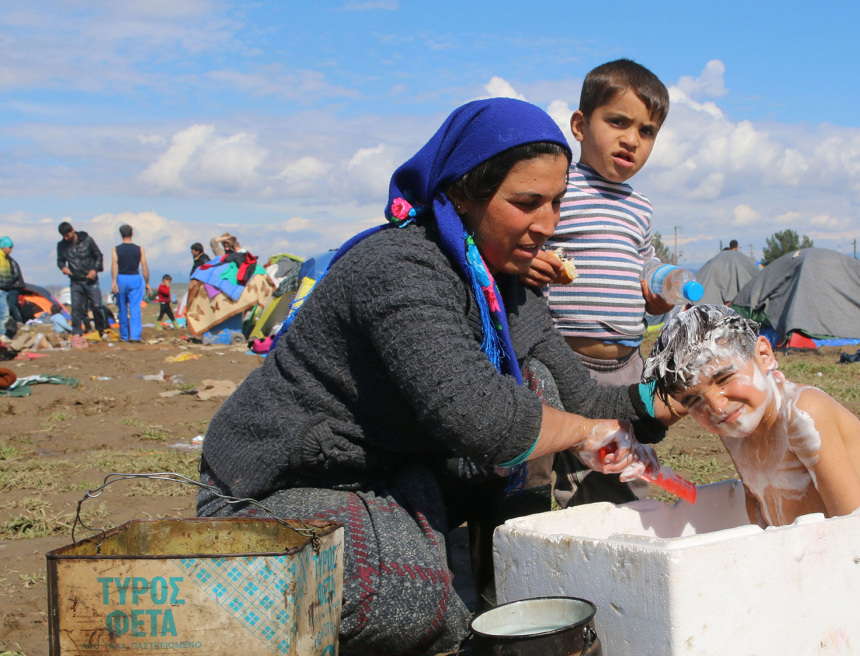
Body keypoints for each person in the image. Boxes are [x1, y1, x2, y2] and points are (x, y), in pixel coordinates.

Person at [196, 98, 679, 655]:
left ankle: (497, 583)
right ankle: (457, 609)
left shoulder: (510, 288)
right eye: (527, 203)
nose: (548, 225)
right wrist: (586, 433)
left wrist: (673, 398)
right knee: (413, 597)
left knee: (536, 388)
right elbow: (483, 418)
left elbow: (587, 395)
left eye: (556, 202)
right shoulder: (400, 269)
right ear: (460, 195)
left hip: (390, 476)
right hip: (277, 490)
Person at [521, 58, 673, 508]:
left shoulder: (639, 206)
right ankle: (513, 549)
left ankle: (616, 556)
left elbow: (643, 264)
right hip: (557, 360)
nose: (632, 139)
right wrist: (531, 261)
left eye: (647, 132)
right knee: (534, 465)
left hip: (624, 365)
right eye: (618, 122)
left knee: (617, 468)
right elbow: (523, 240)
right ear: (581, 125)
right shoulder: (560, 187)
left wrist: (657, 292)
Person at [644, 305, 860, 527]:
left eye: (724, 378)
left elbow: (854, 527)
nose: (717, 408)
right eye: (695, 401)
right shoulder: (735, 427)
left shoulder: (804, 414)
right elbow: (756, 502)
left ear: (764, 355)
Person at [56, 221, 109, 338]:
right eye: (63, 236)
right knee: (76, 308)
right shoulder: (61, 245)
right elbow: (60, 260)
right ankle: (77, 333)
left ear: (72, 230)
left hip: (91, 280)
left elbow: (98, 255)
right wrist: (63, 267)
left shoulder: (87, 240)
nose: (66, 238)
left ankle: (102, 330)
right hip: (75, 281)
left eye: (67, 235)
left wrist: (95, 269)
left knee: (97, 306)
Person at [110, 224, 151, 343]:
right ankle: (135, 335)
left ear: (120, 234)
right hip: (135, 277)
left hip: (121, 278)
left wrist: (113, 281)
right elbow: (144, 266)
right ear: (132, 233)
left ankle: (124, 336)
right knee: (135, 308)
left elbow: (114, 265)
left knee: (122, 308)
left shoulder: (115, 249)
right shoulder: (140, 249)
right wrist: (147, 282)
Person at [0, 236, 24, 338]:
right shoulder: (3, 259)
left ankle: (3, 334)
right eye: (10, 247)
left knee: (5, 312)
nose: (11, 250)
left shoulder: (7, 259)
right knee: (5, 312)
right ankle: (2, 335)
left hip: (6, 288)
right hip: (2, 288)